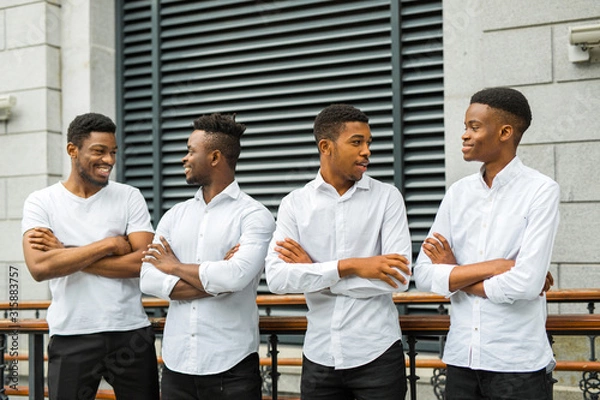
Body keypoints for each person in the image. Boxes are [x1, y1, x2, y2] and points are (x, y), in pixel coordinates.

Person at [413, 87, 559, 400]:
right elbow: (424, 274)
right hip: (461, 360)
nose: (464, 135)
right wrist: (493, 268)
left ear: (505, 132)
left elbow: (525, 283)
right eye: (465, 126)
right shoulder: (458, 193)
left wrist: (455, 273)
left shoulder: (541, 191)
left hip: (517, 363)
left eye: (474, 127)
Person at [265, 103, 412, 400]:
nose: (367, 151)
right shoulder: (295, 204)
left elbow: (398, 278)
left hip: (378, 354)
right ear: (326, 146)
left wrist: (315, 271)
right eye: (356, 142)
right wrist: (351, 266)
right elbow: (278, 280)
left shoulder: (387, 198)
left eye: (369, 143)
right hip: (320, 356)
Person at [21, 113, 160, 399]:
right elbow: (39, 267)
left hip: (130, 332)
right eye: (99, 151)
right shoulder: (41, 201)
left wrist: (65, 253)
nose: (108, 160)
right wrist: (108, 244)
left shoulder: (129, 196)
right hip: (72, 334)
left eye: (113, 152)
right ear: (73, 150)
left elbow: (142, 262)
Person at [139, 113, 275, 400]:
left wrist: (174, 266)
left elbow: (236, 276)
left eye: (190, 151)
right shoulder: (175, 215)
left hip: (232, 366)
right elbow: (147, 278)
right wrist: (216, 281)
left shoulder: (254, 215)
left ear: (214, 157)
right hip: (177, 366)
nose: (184, 158)